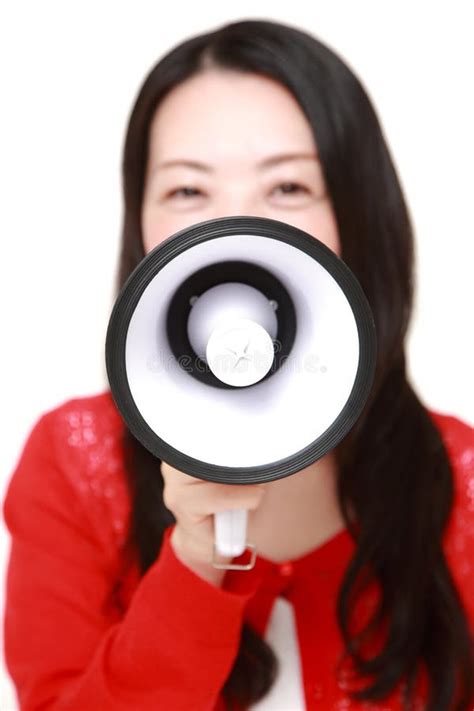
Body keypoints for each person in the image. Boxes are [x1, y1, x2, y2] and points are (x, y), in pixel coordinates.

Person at [3, 18, 474, 711]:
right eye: (188, 191)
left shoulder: (456, 477)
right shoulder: (75, 462)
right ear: (142, 225)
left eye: (288, 188)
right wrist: (196, 560)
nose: (238, 225)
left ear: (357, 213)